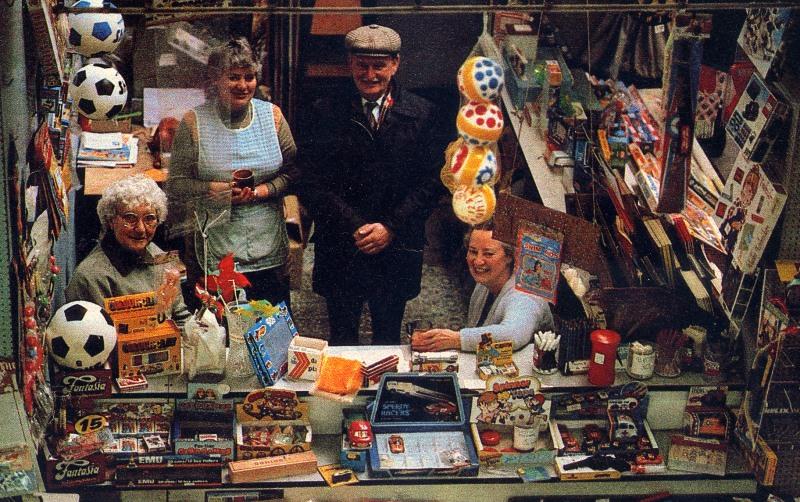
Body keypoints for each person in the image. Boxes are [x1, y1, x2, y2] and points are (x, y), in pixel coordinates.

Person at [296, 24, 446, 345]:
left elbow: (433, 182)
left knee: (388, 337)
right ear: (349, 63)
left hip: (397, 247)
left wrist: (390, 227)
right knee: (342, 339)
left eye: (379, 66)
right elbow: (310, 180)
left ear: (395, 64)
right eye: (362, 65)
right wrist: (355, 225)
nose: (370, 74)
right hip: (341, 246)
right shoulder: (324, 111)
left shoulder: (423, 115)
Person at [166, 37, 297, 310]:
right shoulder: (194, 122)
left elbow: (295, 172)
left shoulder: (273, 116)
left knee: (270, 332)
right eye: (233, 77)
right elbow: (176, 185)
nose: (243, 85)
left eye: (249, 77)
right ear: (215, 79)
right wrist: (215, 190)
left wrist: (264, 191)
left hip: (268, 249)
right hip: (216, 252)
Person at [65, 175, 191, 326]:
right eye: (130, 218)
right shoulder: (90, 278)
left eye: (149, 218)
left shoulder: (157, 255)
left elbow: (180, 316)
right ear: (111, 220)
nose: (141, 229)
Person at [411, 223, 553, 352]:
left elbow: (514, 333)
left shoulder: (525, 295)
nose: (478, 261)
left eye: (488, 254)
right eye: (473, 251)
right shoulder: (484, 283)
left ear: (510, 256)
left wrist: (456, 339)